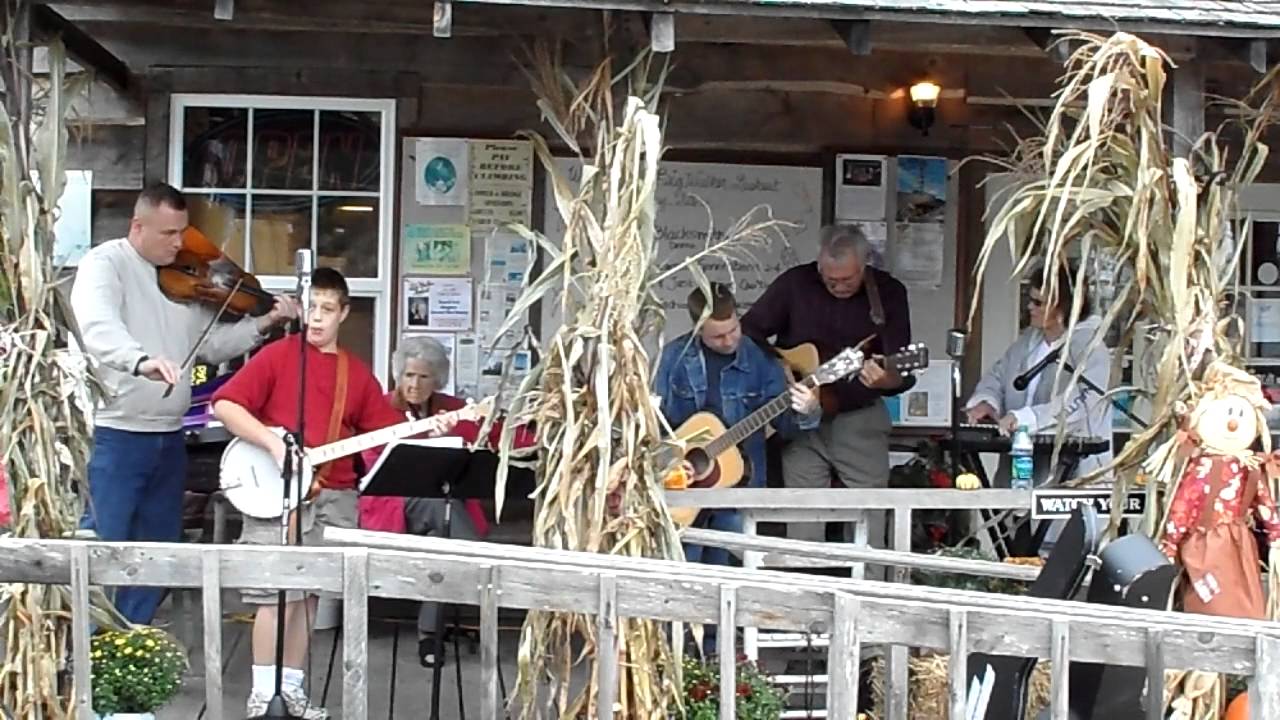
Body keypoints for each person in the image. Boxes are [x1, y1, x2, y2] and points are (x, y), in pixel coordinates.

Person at [212, 268, 447, 719]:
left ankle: (294, 689)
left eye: (326, 309)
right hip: (276, 494)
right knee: (272, 594)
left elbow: (388, 431)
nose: (316, 319)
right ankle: (264, 694)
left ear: (343, 313)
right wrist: (272, 443)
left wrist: (429, 427)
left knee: (309, 597)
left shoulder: (353, 373)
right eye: (311, 308)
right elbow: (225, 404)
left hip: (333, 496)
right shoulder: (279, 356)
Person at [69, 182, 297, 625]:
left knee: (160, 546)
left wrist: (266, 320)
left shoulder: (180, 280)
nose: (179, 244)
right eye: (169, 234)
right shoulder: (106, 264)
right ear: (138, 226)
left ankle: (131, 635)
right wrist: (140, 361)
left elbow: (211, 344)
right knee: (104, 542)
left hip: (169, 435)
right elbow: (95, 326)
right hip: (114, 432)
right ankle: (89, 645)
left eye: (182, 232)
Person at [356, 336, 535, 668]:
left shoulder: (453, 409)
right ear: (398, 374)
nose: (414, 384)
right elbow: (372, 463)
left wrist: (544, 431)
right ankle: (482, 564)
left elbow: (505, 435)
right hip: (391, 507)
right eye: (409, 375)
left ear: (436, 379)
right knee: (452, 527)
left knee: (442, 543)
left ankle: (430, 635)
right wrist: (425, 440)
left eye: (424, 377)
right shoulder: (379, 407)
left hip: (442, 511)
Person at [741, 224, 913, 554]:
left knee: (870, 517)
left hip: (858, 419)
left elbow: (901, 372)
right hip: (801, 422)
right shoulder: (795, 283)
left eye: (847, 279)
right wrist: (781, 367)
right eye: (829, 279)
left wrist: (883, 379)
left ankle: (871, 595)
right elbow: (750, 331)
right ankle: (803, 595)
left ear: (865, 266)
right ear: (819, 266)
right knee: (803, 519)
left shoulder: (888, 293)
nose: (837, 286)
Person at [655, 283, 821, 567]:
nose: (729, 340)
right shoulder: (673, 358)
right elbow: (655, 422)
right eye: (717, 336)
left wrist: (808, 409)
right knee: (683, 571)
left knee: (732, 570)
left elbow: (787, 429)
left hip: (738, 486)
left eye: (733, 330)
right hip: (683, 486)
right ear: (698, 330)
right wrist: (670, 460)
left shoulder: (762, 362)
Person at [964, 263, 1113, 486]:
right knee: (1010, 517)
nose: (1030, 307)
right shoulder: (1027, 342)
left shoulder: (1090, 348)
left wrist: (1028, 418)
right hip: (1021, 464)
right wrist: (987, 402)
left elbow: (1084, 401)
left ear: (1062, 307)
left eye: (1038, 303)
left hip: (1071, 474)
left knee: (1056, 520)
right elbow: (998, 375)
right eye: (1029, 299)